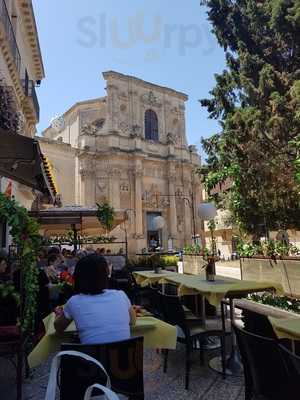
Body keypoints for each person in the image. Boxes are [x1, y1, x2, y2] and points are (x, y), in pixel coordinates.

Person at [54, 254, 136, 344]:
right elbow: (132, 321)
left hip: (91, 357)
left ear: (78, 277)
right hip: (123, 357)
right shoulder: (121, 295)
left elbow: (58, 328)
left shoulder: (74, 302)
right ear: (106, 274)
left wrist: (59, 314)